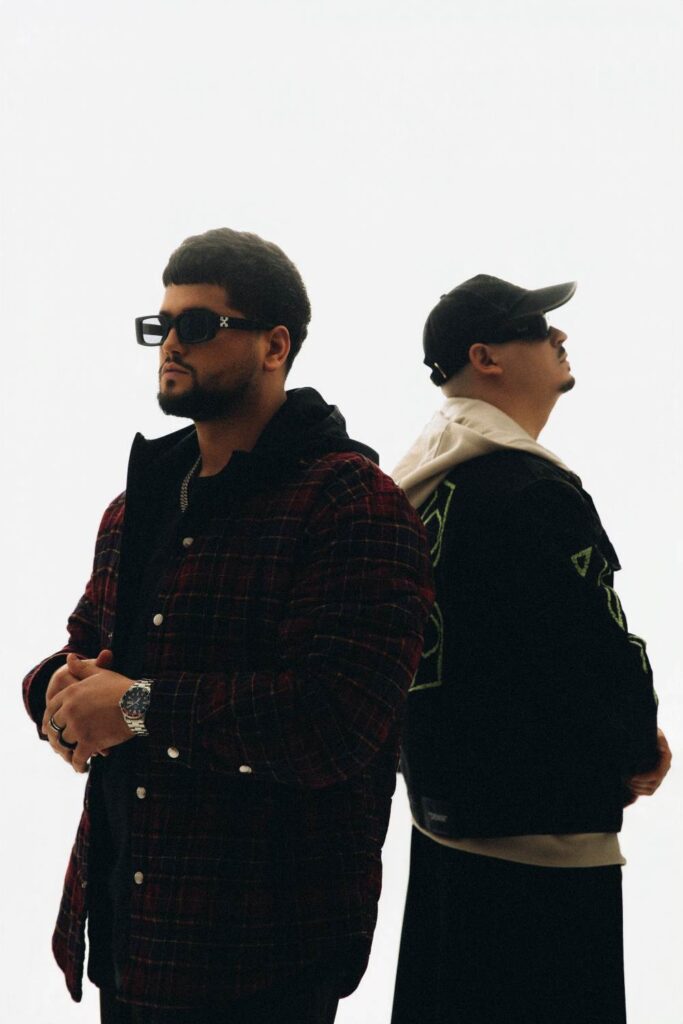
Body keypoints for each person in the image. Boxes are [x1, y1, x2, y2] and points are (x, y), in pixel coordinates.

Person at [22, 228, 433, 1024]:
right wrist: (56, 698)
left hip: (261, 955)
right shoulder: (137, 506)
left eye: (199, 324)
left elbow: (334, 721)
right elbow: (80, 654)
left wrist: (132, 706)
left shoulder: (352, 502)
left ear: (275, 345)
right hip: (127, 934)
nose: (171, 343)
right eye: (163, 324)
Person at [390, 274, 671, 1024]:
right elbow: (593, 645)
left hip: (441, 830)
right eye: (537, 327)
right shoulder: (528, 489)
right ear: (485, 357)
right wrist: (636, 742)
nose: (559, 335)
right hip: (543, 853)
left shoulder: (411, 489)